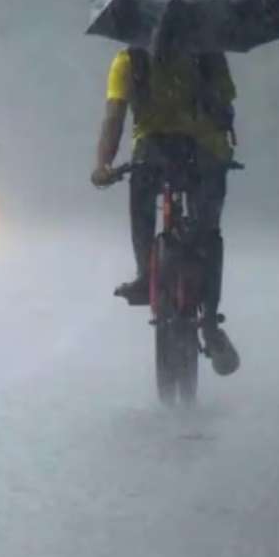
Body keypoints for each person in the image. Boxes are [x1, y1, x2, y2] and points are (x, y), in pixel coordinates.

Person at [91, 43, 240, 375]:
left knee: (142, 199)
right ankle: (210, 324)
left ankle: (148, 274)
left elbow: (115, 117)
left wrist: (104, 165)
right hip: (203, 152)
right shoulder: (209, 53)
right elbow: (226, 108)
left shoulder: (130, 60)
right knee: (208, 230)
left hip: (156, 152)